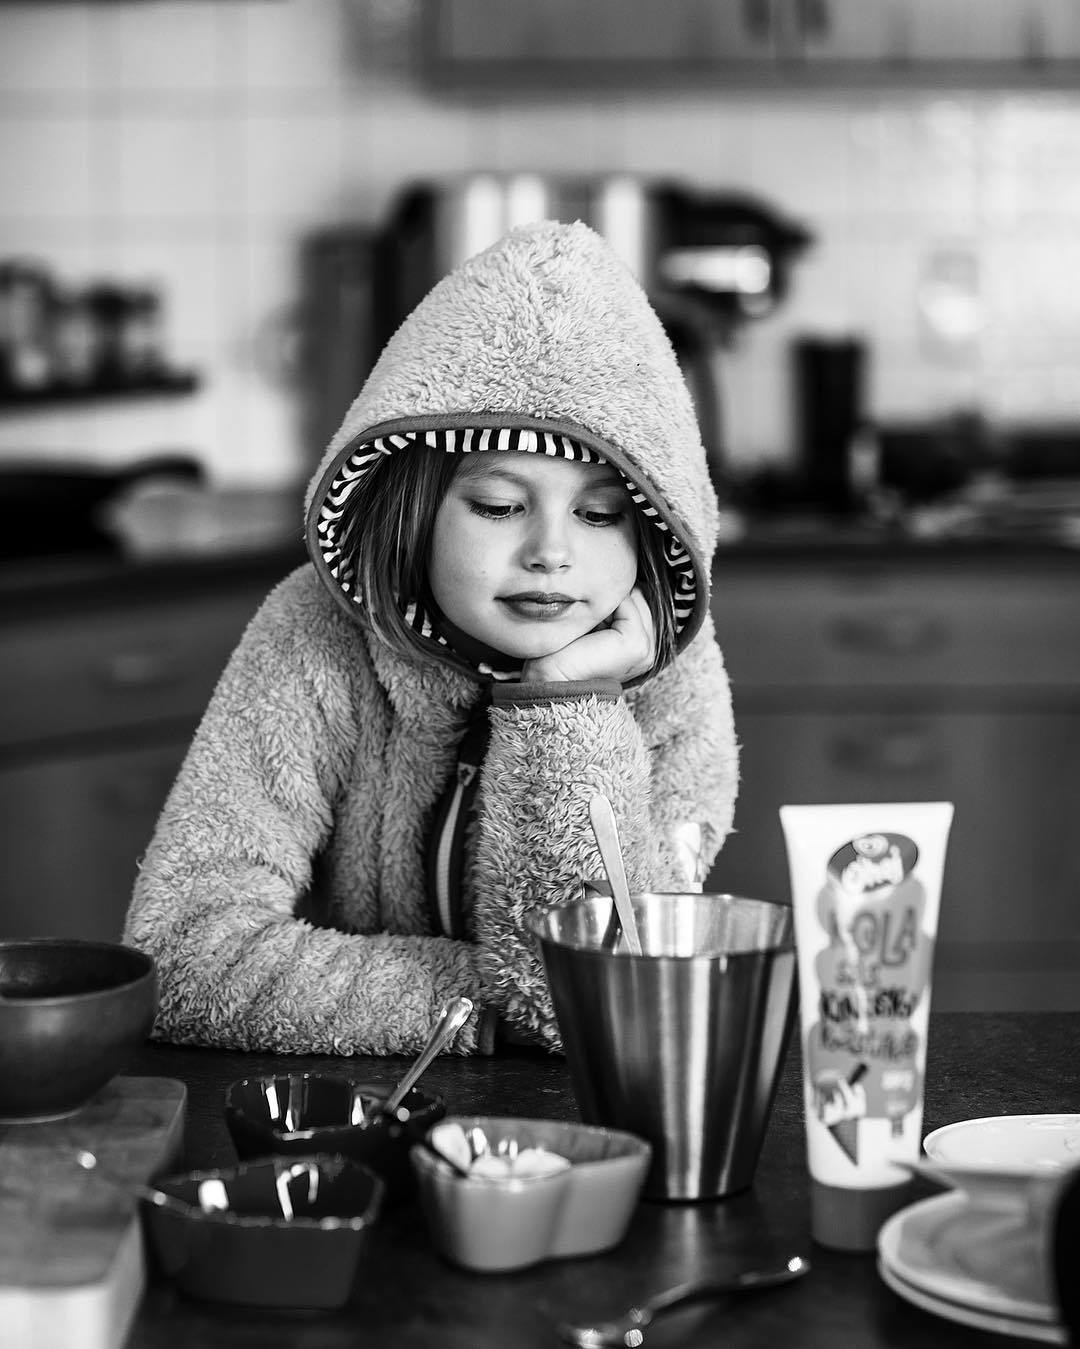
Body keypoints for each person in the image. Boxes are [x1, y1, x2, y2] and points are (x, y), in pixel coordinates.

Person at [122, 220, 739, 1056]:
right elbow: (180, 951)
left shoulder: (675, 678)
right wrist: (483, 1003)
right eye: (499, 505)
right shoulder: (311, 634)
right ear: (415, 503)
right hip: (361, 1109)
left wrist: (568, 702)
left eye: (599, 514)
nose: (551, 551)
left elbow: (609, 996)